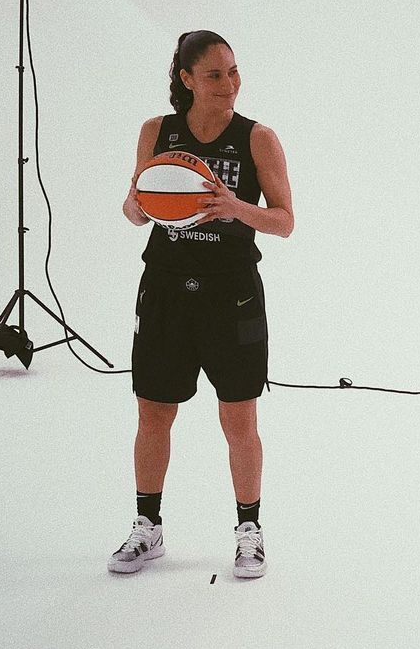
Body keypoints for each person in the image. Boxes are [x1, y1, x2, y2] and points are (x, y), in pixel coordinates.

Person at [109, 30, 294, 579]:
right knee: (153, 413)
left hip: (231, 293)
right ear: (187, 79)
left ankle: (249, 531)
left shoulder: (258, 139)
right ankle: (148, 527)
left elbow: (285, 221)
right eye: (215, 75)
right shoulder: (157, 132)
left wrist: (236, 207)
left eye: (233, 71)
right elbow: (134, 210)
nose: (229, 84)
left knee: (239, 417)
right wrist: (138, 205)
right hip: (166, 289)